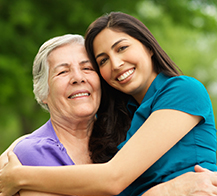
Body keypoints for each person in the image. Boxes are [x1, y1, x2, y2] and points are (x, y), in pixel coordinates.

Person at [0, 11, 217, 195]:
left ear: (148, 47)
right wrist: (22, 148)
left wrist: (19, 175)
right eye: (102, 60)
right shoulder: (125, 119)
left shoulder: (182, 90)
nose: (116, 63)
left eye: (122, 48)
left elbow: (114, 178)